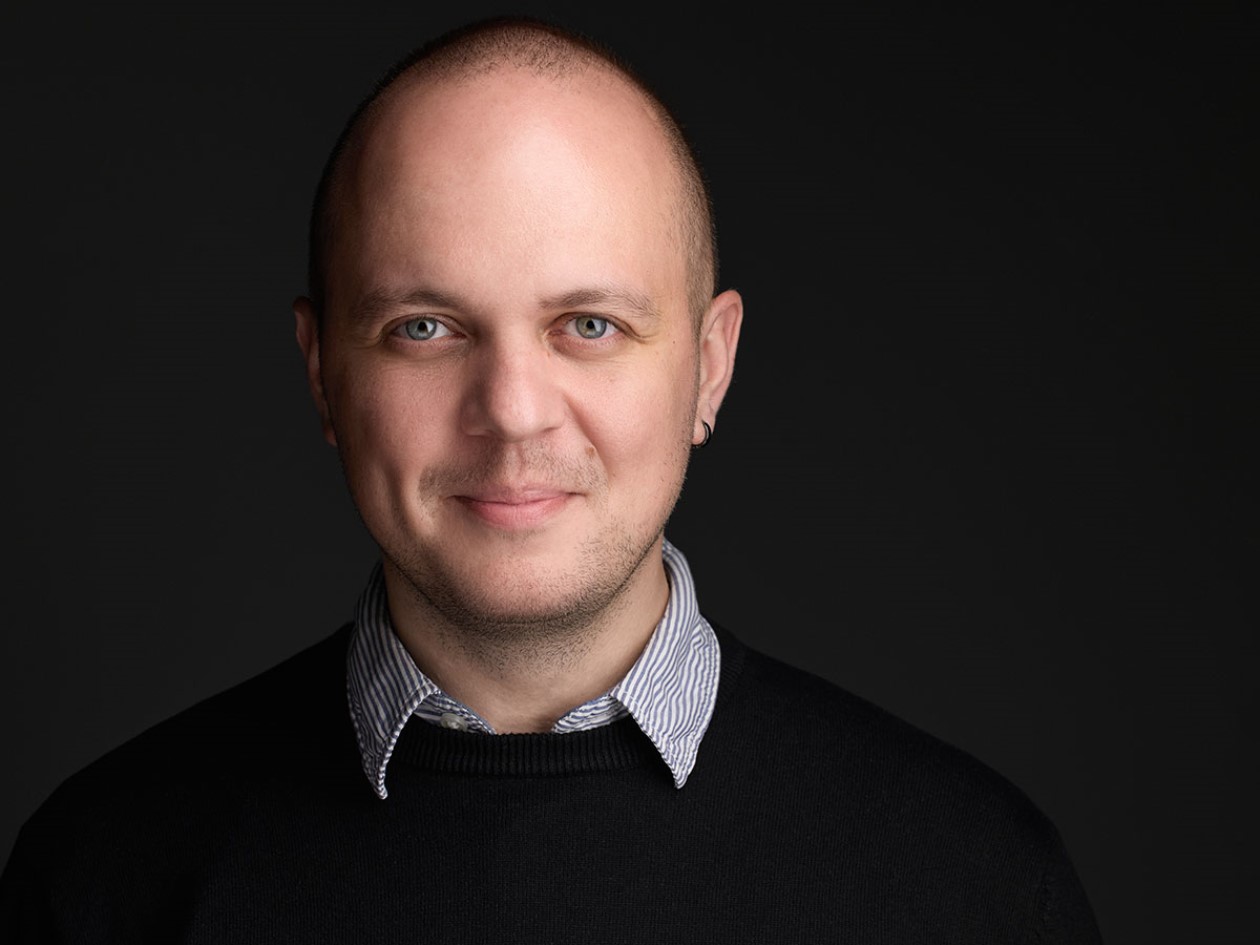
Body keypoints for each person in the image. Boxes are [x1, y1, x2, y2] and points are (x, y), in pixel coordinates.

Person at [0, 15, 1103, 942]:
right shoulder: (102, 880)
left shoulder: (975, 886)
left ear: (710, 367)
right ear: (322, 372)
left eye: (589, 324)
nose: (514, 409)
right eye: (424, 327)